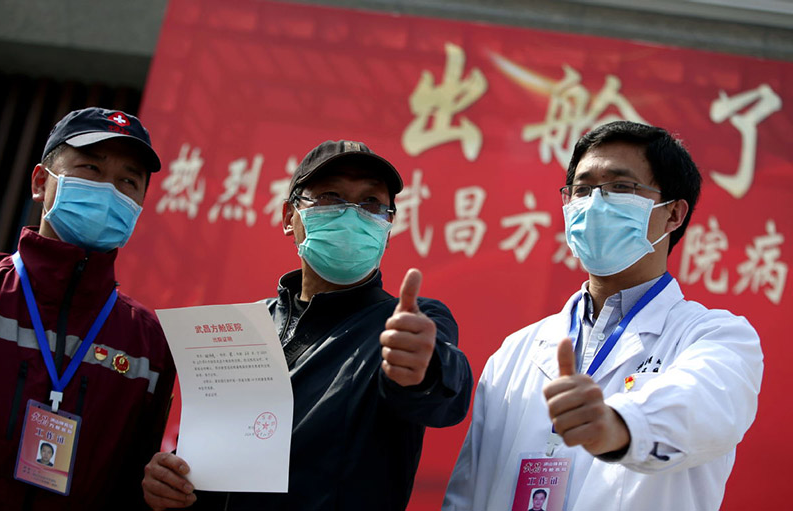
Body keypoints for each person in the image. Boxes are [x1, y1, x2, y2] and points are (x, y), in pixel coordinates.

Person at [442, 121, 763, 510]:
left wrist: (618, 425)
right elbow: (469, 489)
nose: (595, 204)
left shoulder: (716, 337)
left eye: (621, 187)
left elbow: (705, 406)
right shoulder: (517, 350)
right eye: (582, 189)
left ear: (674, 214)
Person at [142, 140, 473, 510]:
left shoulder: (406, 325)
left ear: (388, 226)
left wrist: (424, 370)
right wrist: (170, 479)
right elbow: (213, 456)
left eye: (371, 203)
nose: (352, 215)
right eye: (331, 197)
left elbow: (443, 395)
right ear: (289, 217)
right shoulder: (243, 328)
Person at [0, 107, 176, 509]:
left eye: (128, 181)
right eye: (90, 168)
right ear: (42, 182)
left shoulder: (149, 343)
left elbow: (134, 479)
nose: (110, 190)